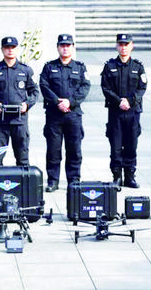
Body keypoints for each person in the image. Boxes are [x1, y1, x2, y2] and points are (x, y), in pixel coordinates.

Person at [38, 34, 91, 192]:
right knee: (53, 150)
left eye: (68, 45)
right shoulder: (49, 67)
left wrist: (70, 102)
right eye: (62, 45)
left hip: (73, 115)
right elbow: (44, 86)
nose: (65, 48)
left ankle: (73, 180)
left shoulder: (80, 67)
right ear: (57, 47)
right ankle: (53, 181)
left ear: (73, 47)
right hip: (54, 115)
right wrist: (57, 102)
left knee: (74, 149)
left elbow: (85, 87)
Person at [100, 33, 147, 189]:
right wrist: (119, 101)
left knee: (131, 144)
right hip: (116, 112)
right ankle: (117, 176)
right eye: (120, 44)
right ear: (116, 46)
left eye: (126, 44)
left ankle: (130, 176)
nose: (123, 47)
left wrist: (130, 101)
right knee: (116, 145)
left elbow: (142, 88)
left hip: (133, 112)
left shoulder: (138, 67)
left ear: (132, 46)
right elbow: (105, 87)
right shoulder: (109, 66)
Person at [0, 36, 39, 166]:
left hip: (19, 120)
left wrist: (27, 104)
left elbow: (34, 91)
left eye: (13, 47)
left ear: (17, 49)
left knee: (22, 157)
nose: (10, 50)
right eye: (7, 47)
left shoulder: (26, 70)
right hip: (0, 120)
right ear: (2, 49)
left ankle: (23, 179)